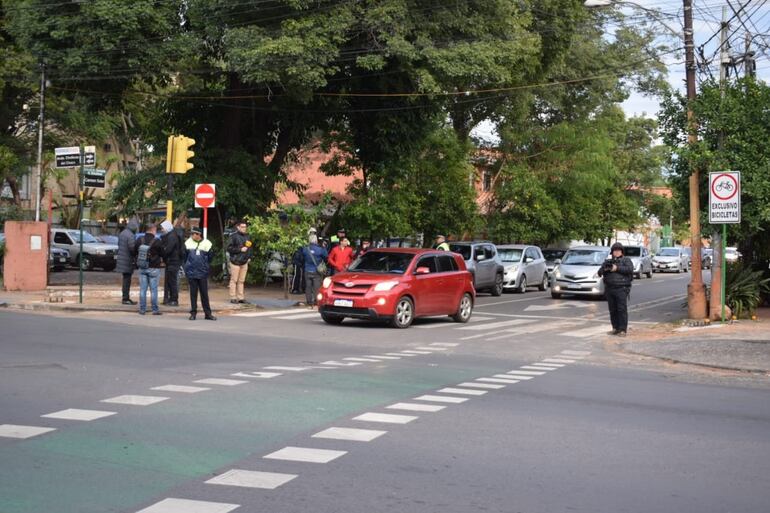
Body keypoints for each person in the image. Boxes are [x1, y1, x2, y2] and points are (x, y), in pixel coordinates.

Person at [597, 242, 634, 336]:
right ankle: (615, 328)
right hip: (610, 288)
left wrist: (616, 268)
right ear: (612, 252)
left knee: (621, 309)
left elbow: (629, 269)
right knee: (612, 310)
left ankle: (622, 330)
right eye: (615, 251)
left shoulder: (626, 260)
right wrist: (604, 268)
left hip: (622, 288)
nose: (616, 252)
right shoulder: (608, 261)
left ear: (622, 252)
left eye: (618, 250)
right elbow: (599, 273)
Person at [184, 227, 216, 321]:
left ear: (198, 235)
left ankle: (208, 314)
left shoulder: (207, 244)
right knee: (193, 294)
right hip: (191, 272)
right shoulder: (187, 243)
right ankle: (193, 313)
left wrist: (205, 265)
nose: (191, 235)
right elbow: (184, 257)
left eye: (193, 234)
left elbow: (211, 257)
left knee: (204, 294)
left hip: (203, 273)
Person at [134, 223, 164, 315]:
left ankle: (142, 309)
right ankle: (155, 309)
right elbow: (163, 253)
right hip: (154, 268)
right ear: (153, 229)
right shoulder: (157, 241)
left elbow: (134, 251)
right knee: (153, 290)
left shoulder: (139, 240)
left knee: (143, 289)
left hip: (142, 267)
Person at [227, 220, 252, 304]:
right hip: (235, 261)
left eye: (245, 227)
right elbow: (229, 248)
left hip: (244, 261)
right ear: (238, 227)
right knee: (234, 280)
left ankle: (241, 298)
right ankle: (233, 297)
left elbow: (250, 248)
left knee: (241, 281)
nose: (244, 228)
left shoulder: (248, 236)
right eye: (242, 227)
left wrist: (249, 257)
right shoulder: (233, 236)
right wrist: (240, 249)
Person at [160, 220, 183, 306]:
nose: (161, 230)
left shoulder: (172, 236)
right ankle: (170, 299)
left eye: (162, 228)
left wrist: (162, 253)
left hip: (173, 262)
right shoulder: (171, 235)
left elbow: (168, 249)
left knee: (172, 281)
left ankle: (174, 299)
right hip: (172, 261)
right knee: (170, 281)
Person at [302, 233, 328, 308]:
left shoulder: (305, 249)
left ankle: (309, 303)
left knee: (308, 287)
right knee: (317, 287)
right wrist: (324, 247)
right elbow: (326, 256)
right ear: (316, 241)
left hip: (307, 270)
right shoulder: (320, 250)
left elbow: (302, 257)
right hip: (316, 271)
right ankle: (316, 302)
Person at [117, 219, 139, 305]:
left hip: (122, 259)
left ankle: (125, 297)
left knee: (125, 279)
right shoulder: (130, 235)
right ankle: (125, 298)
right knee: (127, 280)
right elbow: (132, 248)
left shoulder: (122, 233)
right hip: (127, 260)